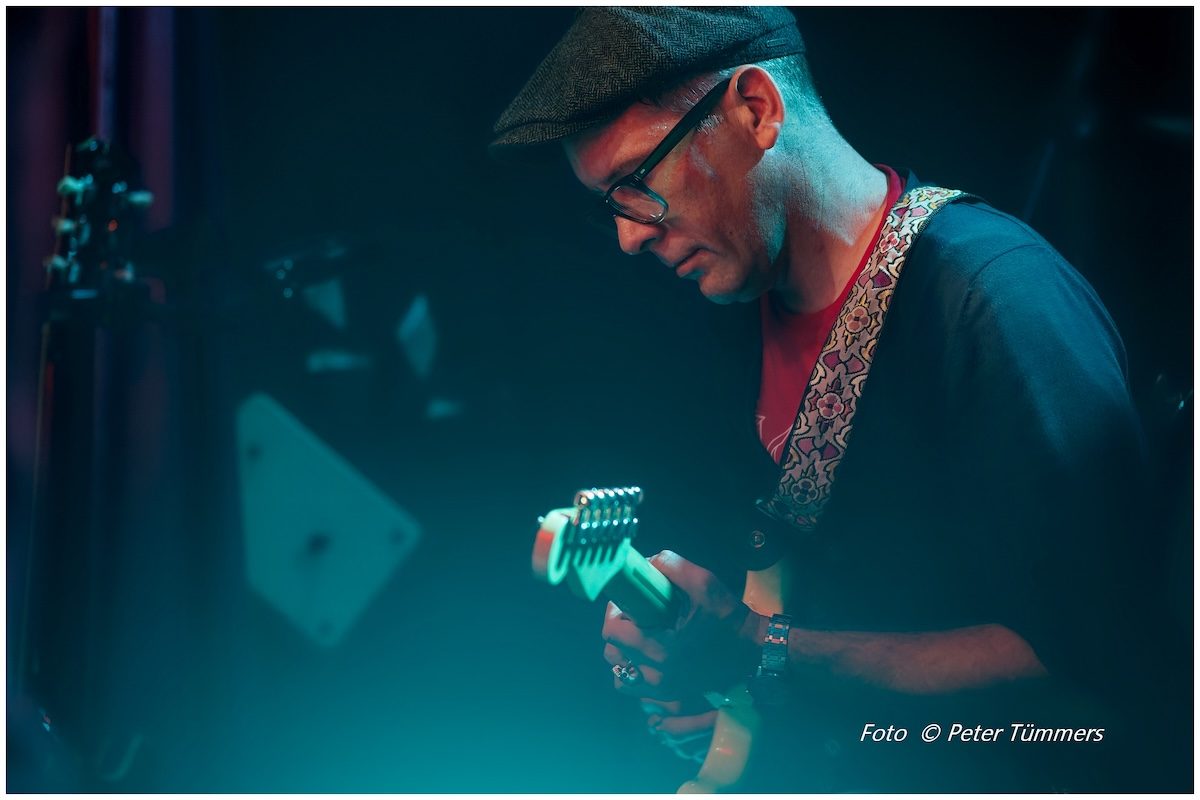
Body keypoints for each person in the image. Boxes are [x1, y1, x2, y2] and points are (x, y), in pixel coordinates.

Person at [492, 8, 1182, 792]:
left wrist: (760, 653)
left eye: (637, 183)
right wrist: (719, 687)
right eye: (608, 205)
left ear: (756, 109)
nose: (629, 236)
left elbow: (1096, 666)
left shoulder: (994, 301)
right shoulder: (731, 309)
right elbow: (816, 608)